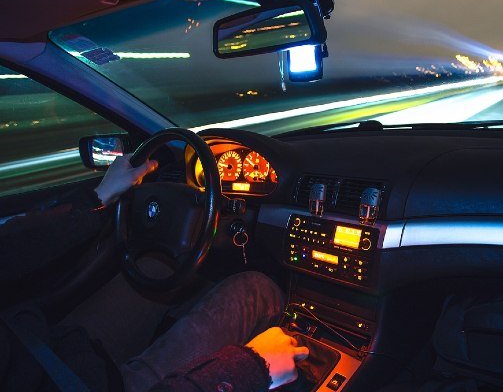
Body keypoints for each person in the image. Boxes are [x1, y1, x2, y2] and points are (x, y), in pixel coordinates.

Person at [0, 155, 308, 391]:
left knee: (156, 267)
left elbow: (12, 250)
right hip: (80, 379)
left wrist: (99, 196)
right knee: (256, 290)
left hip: (42, 348)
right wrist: (251, 366)